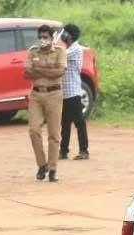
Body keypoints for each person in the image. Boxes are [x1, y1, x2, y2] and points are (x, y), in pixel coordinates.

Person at [24, 25, 66, 182]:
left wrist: (39, 70)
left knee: (54, 134)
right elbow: (26, 73)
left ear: (52, 37)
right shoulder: (33, 51)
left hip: (54, 94)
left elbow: (60, 71)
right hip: (36, 94)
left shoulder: (60, 51)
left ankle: (53, 168)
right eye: (40, 37)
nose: (43, 40)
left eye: (46, 37)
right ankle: (42, 165)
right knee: (34, 130)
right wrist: (48, 70)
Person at [59, 23, 89, 160]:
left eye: (64, 33)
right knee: (64, 123)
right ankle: (63, 151)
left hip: (74, 92)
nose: (62, 35)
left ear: (69, 36)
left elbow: (59, 55)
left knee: (79, 123)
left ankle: (84, 151)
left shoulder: (75, 49)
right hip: (65, 93)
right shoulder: (68, 48)